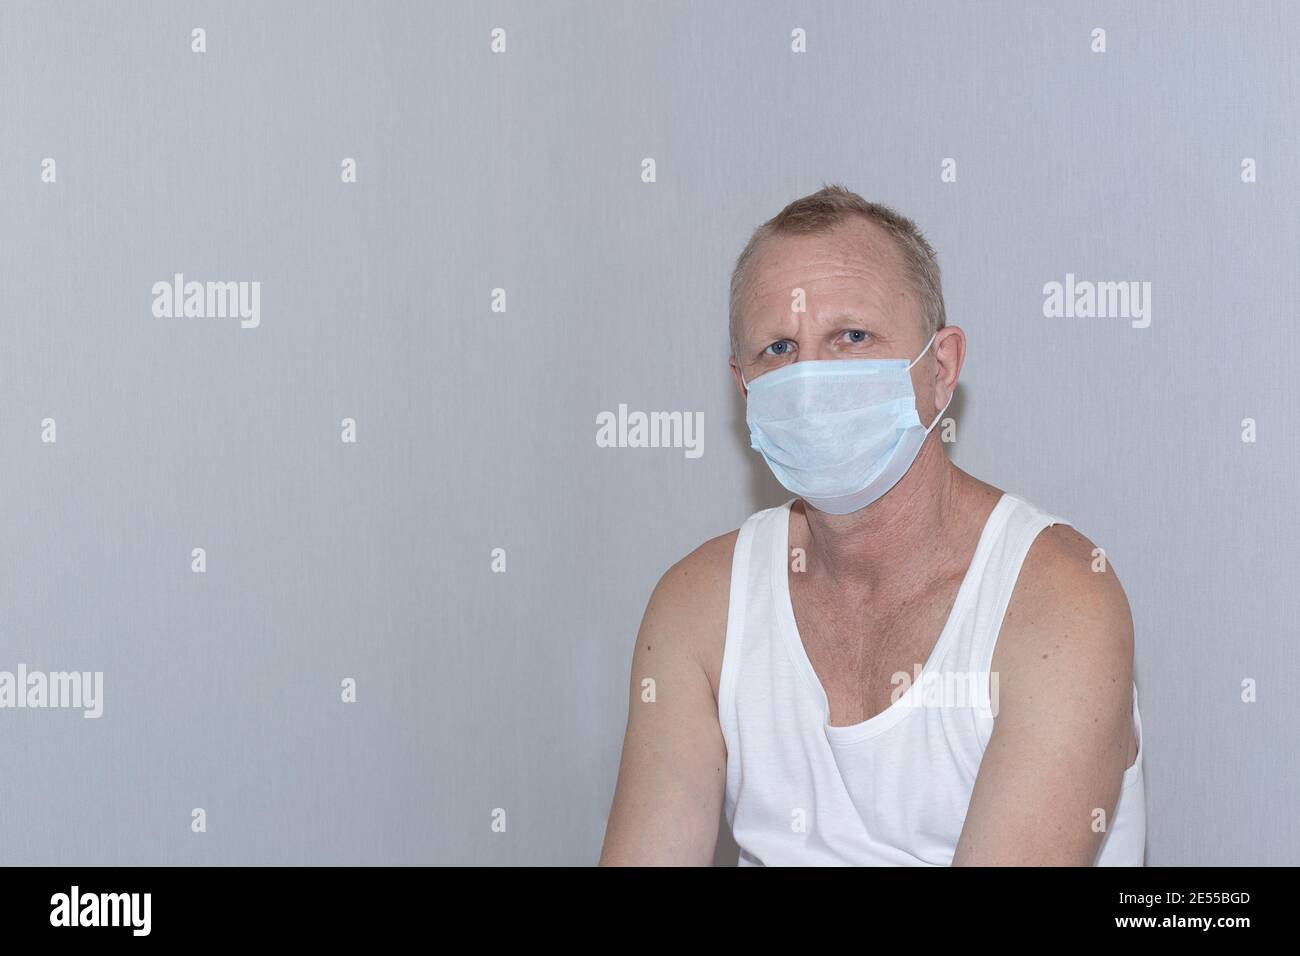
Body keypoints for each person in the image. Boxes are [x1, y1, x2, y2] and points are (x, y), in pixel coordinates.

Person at [599, 184, 1145, 866]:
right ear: (745, 390)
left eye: (850, 338)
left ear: (940, 369)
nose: (809, 381)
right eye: (777, 349)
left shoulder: (1058, 602)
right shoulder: (698, 608)